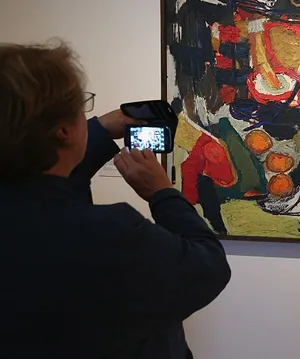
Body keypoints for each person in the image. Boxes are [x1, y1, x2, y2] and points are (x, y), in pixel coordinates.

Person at [0, 40, 232, 359]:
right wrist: (162, 193)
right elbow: (208, 268)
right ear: (63, 131)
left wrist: (99, 129)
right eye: (81, 107)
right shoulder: (110, 234)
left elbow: (49, 189)